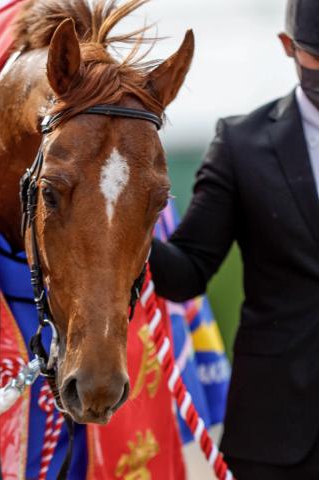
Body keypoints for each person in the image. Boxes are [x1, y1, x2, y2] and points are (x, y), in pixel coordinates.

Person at [150, 0, 319, 478]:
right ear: (288, 47)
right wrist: (126, 232)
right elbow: (185, 272)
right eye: (318, 55)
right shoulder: (240, 145)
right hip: (277, 431)